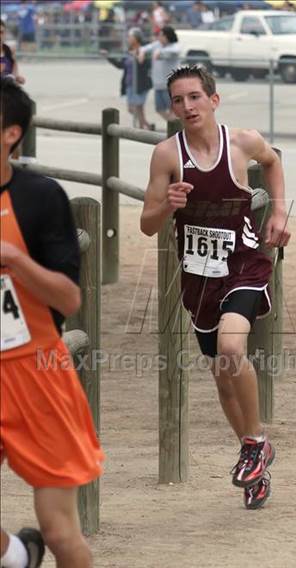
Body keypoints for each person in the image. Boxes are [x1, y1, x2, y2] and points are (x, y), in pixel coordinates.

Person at [140, 65, 291, 509]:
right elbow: (147, 226)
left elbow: (274, 161)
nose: (187, 107)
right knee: (222, 378)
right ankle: (254, 450)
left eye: (194, 97)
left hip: (243, 265)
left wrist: (279, 213)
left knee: (231, 350)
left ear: (213, 100)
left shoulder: (241, 141)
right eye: (178, 100)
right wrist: (166, 205)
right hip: (197, 277)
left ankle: (255, 444)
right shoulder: (166, 155)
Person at [0, 77, 104, 567]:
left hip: (36, 372)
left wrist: (13, 260)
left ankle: (33, 550)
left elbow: (69, 296)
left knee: (61, 532)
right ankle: (18, 557)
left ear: (11, 134)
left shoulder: (40, 197)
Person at [101, 28, 154, 130]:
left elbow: (147, 66)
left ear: (136, 38)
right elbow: (121, 65)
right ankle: (146, 125)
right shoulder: (128, 52)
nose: (128, 39)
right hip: (129, 84)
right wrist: (108, 57)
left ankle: (142, 127)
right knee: (133, 108)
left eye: (130, 37)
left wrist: (139, 58)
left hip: (140, 84)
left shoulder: (144, 51)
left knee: (138, 107)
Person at [140, 26, 180, 124]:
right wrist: (142, 52)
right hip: (158, 83)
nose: (159, 37)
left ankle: (176, 128)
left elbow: (175, 51)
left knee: (173, 109)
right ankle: (175, 125)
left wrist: (160, 52)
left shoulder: (174, 46)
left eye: (161, 35)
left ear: (167, 36)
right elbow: (144, 48)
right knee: (159, 109)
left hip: (170, 84)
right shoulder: (157, 44)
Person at [1, 20, 25, 84]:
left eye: (1, 32)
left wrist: (18, 78)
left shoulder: (10, 51)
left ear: (5, 34)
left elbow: (15, 75)